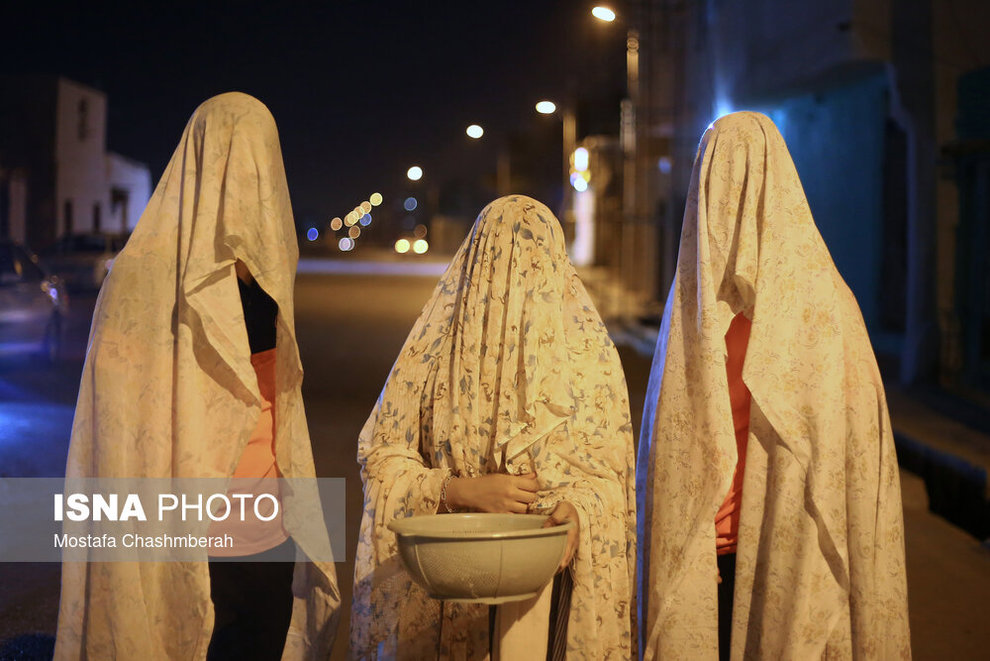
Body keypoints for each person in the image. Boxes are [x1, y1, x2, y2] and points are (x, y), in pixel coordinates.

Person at [54, 92, 340, 660]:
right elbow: (115, 428)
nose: (247, 177)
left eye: (259, 159)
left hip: (267, 534)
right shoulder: (141, 277)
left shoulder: (270, 277)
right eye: (236, 160)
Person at [637, 111, 911, 659]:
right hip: (709, 553)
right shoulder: (696, 311)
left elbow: (849, 460)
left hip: (789, 557)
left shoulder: (821, 313)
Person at [350, 195, 637, 660]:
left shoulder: (591, 359)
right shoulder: (434, 352)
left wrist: (577, 514)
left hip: (545, 600)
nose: (514, 280)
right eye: (499, 261)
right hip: (448, 589)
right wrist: (459, 492)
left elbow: (610, 481)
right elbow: (382, 455)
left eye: (532, 263)